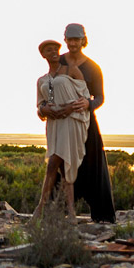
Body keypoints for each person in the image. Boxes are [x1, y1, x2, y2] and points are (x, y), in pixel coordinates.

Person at [39, 23, 115, 222]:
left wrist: (88, 103)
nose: (73, 43)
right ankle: (54, 213)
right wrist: (42, 108)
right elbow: (48, 86)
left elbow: (100, 97)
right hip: (60, 123)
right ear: (65, 40)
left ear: (83, 40)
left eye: (77, 39)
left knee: (93, 165)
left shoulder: (92, 67)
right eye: (70, 39)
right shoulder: (58, 60)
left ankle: (102, 216)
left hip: (85, 122)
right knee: (57, 166)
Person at [33, 39, 90, 219]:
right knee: (58, 165)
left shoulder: (71, 71)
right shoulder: (41, 80)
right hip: (54, 124)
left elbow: (85, 97)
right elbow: (39, 105)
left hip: (70, 121)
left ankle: (44, 210)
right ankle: (65, 213)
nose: (54, 52)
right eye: (49, 50)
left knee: (58, 163)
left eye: (56, 49)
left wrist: (70, 108)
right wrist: (44, 109)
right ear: (43, 55)